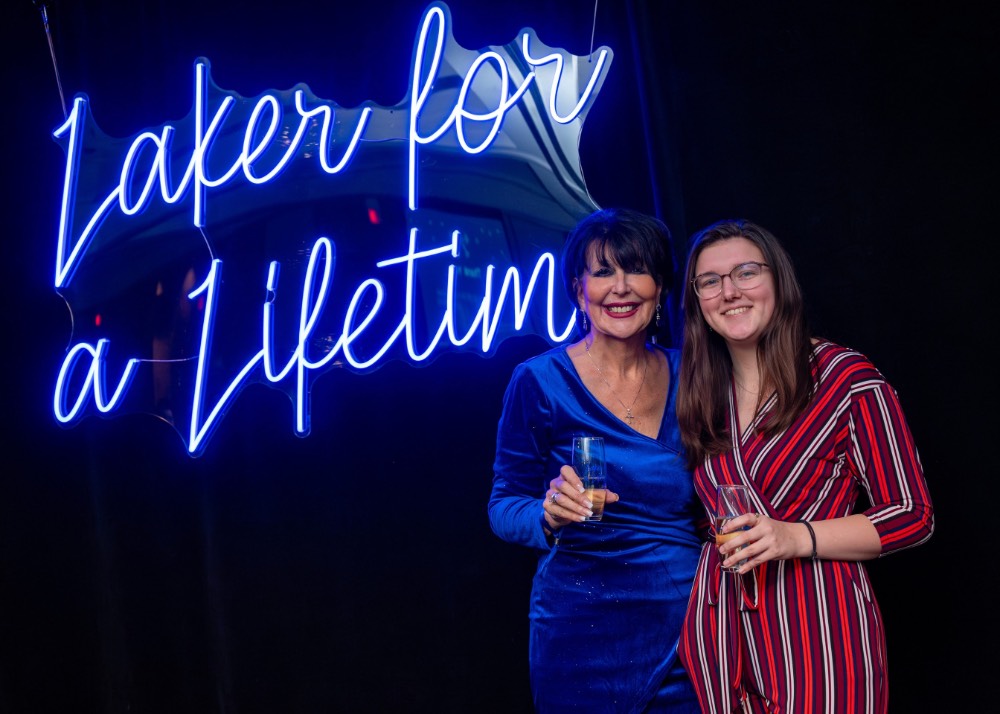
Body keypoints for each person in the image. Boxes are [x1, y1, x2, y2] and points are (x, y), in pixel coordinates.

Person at [674, 219, 934, 713]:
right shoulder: (702, 396)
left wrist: (796, 536)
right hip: (723, 630)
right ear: (697, 302)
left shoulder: (843, 377)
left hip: (819, 626)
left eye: (746, 272)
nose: (729, 291)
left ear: (777, 281)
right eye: (710, 281)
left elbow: (913, 513)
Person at [488, 207, 704, 713]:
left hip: (687, 626)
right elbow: (502, 504)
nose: (621, 287)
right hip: (578, 630)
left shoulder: (695, 375)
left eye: (638, 270)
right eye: (603, 271)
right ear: (578, 289)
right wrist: (545, 513)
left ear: (662, 287)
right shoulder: (539, 381)